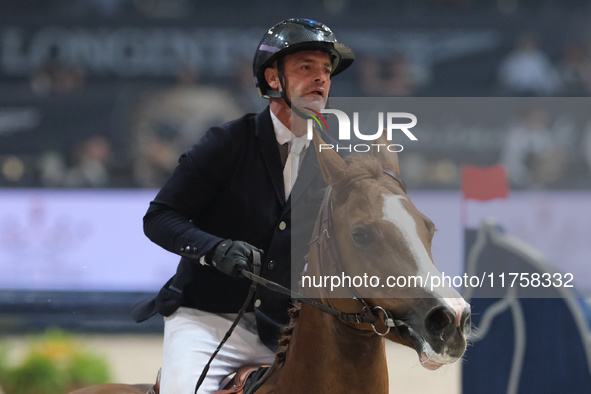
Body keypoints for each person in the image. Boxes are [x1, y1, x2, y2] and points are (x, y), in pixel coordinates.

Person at [131, 18, 354, 393]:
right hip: (208, 322)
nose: (321, 79)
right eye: (306, 68)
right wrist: (213, 249)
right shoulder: (227, 142)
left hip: (287, 330)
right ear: (272, 79)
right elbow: (159, 218)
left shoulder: (336, 158)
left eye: (326, 71)